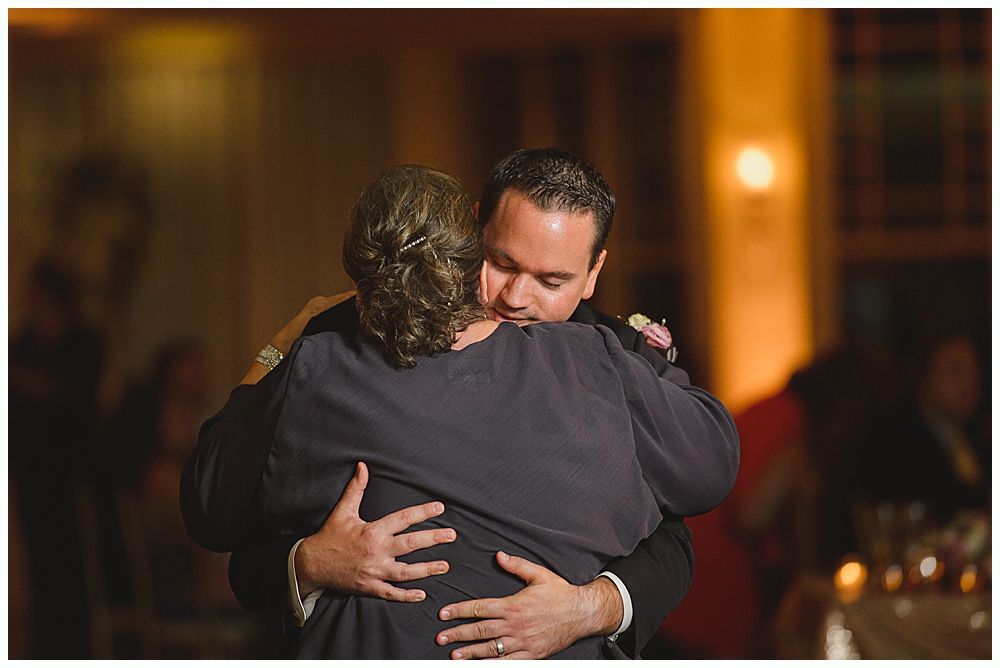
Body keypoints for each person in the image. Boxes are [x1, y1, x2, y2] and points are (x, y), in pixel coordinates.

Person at [181, 164, 738, 659]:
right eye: (501, 262)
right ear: (471, 236)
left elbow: (674, 532)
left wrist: (590, 608)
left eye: (552, 281)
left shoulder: (614, 354)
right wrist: (309, 564)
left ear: (593, 273)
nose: (518, 297)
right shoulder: (346, 338)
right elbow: (230, 524)